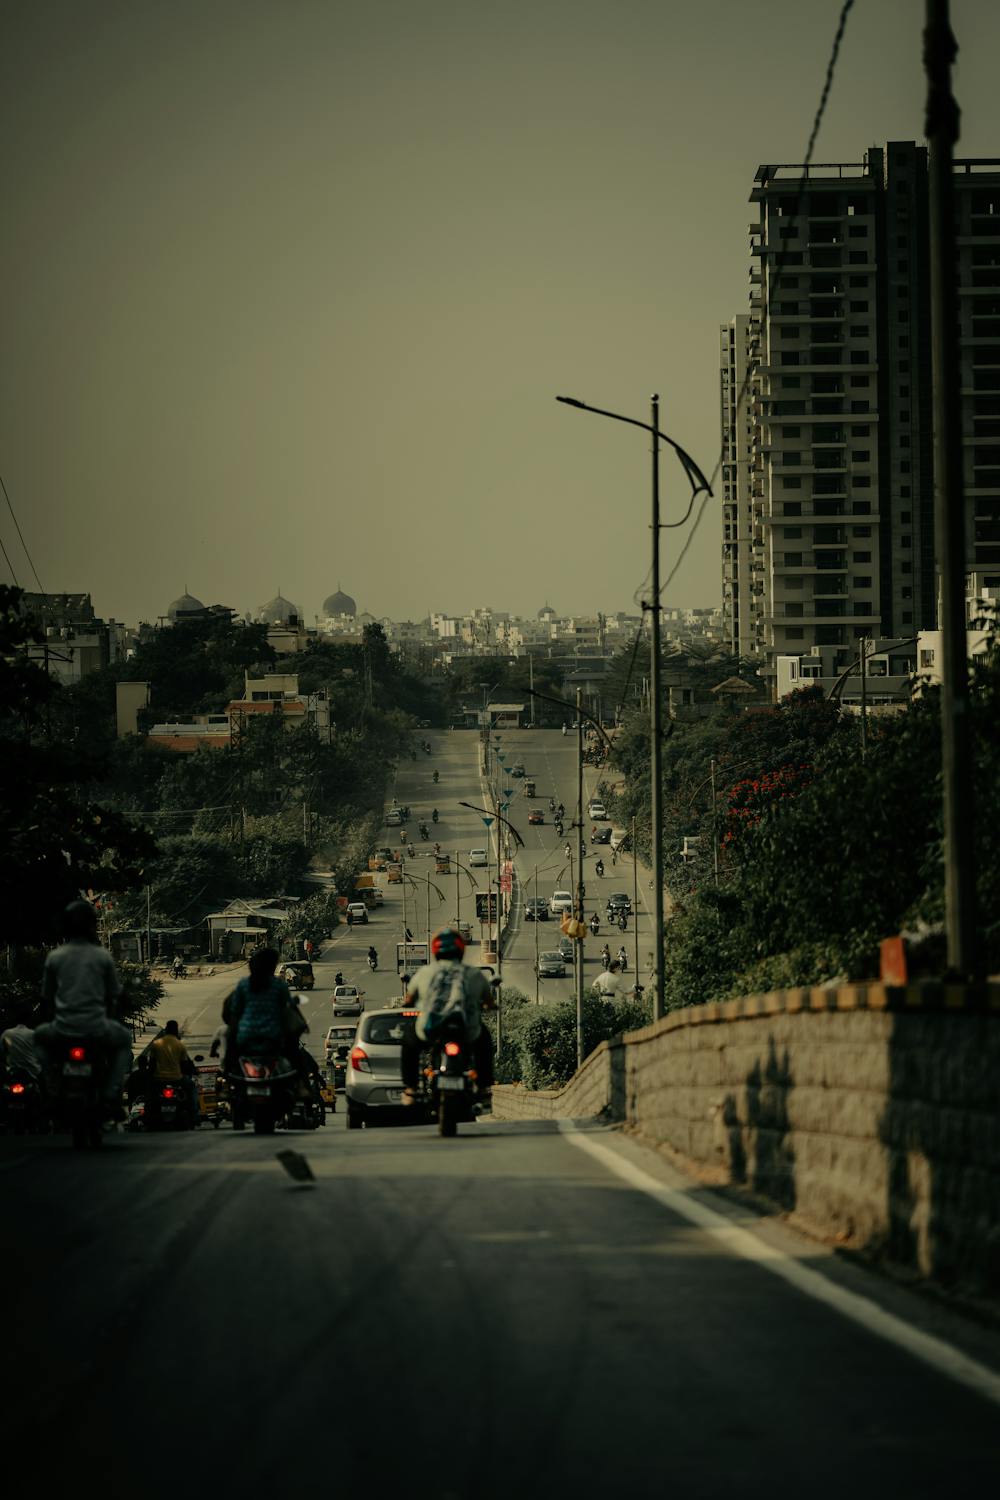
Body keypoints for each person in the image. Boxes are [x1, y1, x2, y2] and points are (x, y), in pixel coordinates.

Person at [34, 899, 132, 1118]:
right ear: (92, 925)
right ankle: (109, 1094)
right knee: (125, 1040)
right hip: (97, 1028)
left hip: (63, 1028)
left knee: (39, 1038)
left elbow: (46, 998)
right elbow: (114, 993)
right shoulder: (102, 956)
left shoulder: (55, 957)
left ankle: (51, 1089)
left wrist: (49, 1019)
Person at [400, 928, 496, 1105]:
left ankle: (411, 1088)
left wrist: (409, 1003)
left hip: (431, 1029)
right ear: (461, 950)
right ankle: (484, 1088)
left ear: (435, 951)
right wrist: (489, 1006)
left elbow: (409, 998)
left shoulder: (425, 972)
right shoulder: (474, 974)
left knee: (409, 1042)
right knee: (484, 1043)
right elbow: (489, 1001)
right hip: (466, 1029)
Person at [221, 947, 304, 1070]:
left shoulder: (243, 984)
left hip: (245, 1038)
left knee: (229, 1052)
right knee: (296, 1057)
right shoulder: (278, 985)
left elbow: (233, 1013)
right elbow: (288, 1010)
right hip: (273, 1038)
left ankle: (227, 1070)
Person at [147, 1018, 198, 1123]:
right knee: (192, 1087)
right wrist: (192, 1071)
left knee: (149, 1095)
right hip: (177, 1079)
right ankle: (194, 1114)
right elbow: (185, 1065)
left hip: (159, 1079)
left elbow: (151, 1064)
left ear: (166, 1030)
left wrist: (150, 1077)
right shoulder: (180, 1045)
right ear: (176, 1031)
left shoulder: (156, 1044)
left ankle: (147, 1114)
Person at [0, 1000, 44, 1089]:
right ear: (29, 1017)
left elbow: (2, 1052)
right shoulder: (33, 1034)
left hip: (12, 1073)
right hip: (33, 1073)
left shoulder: (7, 1033)